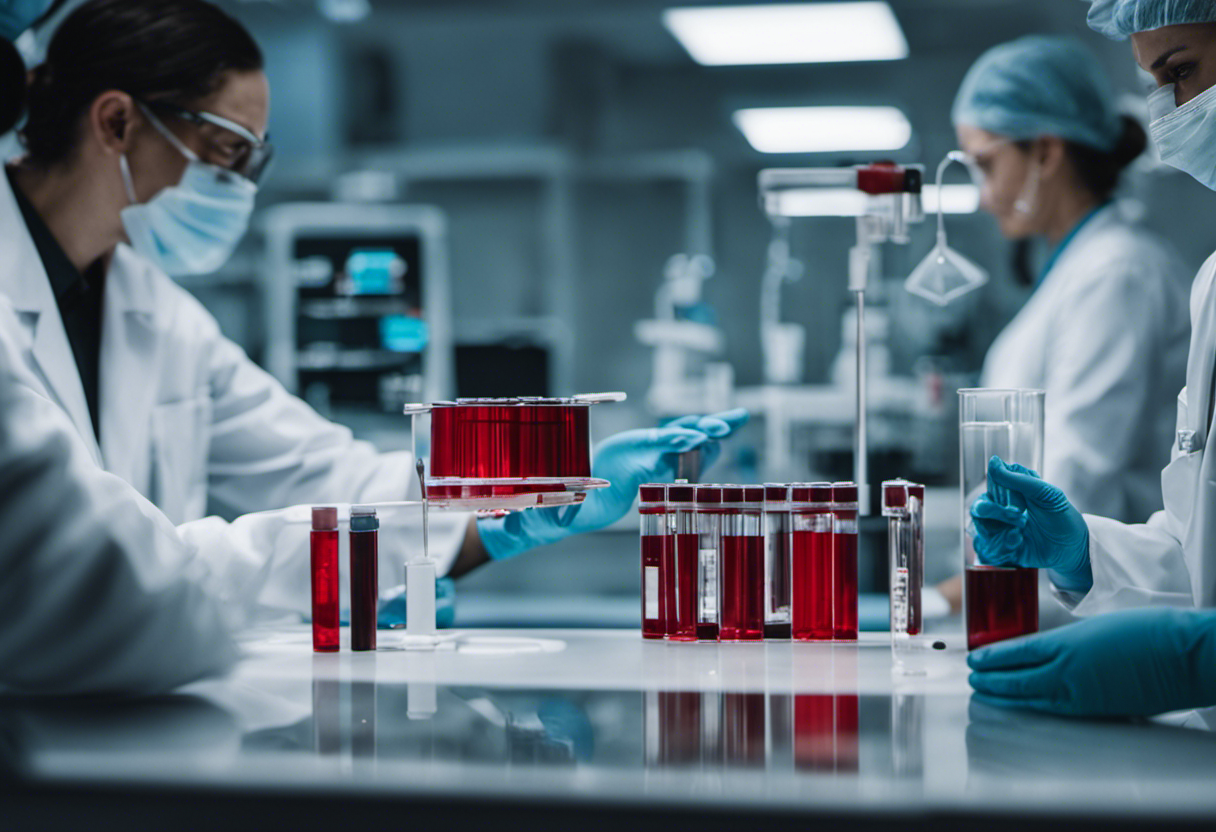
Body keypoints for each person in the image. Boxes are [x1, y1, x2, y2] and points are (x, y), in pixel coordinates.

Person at [0, 0, 747, 620]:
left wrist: (539, 486)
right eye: (225, 150)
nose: (239, 186)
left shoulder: (159, 316)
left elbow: (330, 476)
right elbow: (93, 564)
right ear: (117, 123)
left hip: (125, 706)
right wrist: (335, 568)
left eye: (254, 161)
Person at [966, 0, 1216, 718]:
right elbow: (1201, 550)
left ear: (1046, 150)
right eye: (1158, 85)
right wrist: (1085, 554)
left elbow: (1088, 467)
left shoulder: (1121, 273)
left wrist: (1197, 657)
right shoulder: (1211, 281)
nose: (1174, 113)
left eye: (1183, 71)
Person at [937, 35, 1191, 624]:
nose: (981, 196)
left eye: (986, 164)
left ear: (1046, 153)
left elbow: (1075, 487)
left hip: (1101, 607)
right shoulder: (1082, 268)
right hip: (1062, 596)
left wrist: (937, 600)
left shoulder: (1118, 272)